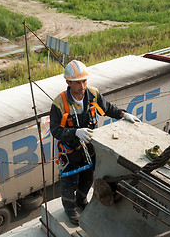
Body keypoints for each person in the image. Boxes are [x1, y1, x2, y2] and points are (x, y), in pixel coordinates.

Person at [49, 60, 140, 225]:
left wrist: (123, 114)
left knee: (87, 178)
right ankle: (69, 210)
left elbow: (108, 108)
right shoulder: (59, 103)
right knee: (69, 183)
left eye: (84, 81)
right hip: (71, 152)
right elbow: (55, 130)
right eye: (78, 82)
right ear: (68, 82)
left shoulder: (93, 94)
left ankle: (81, 201)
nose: (82, 85)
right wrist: (75, 132)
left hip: (89, 149)